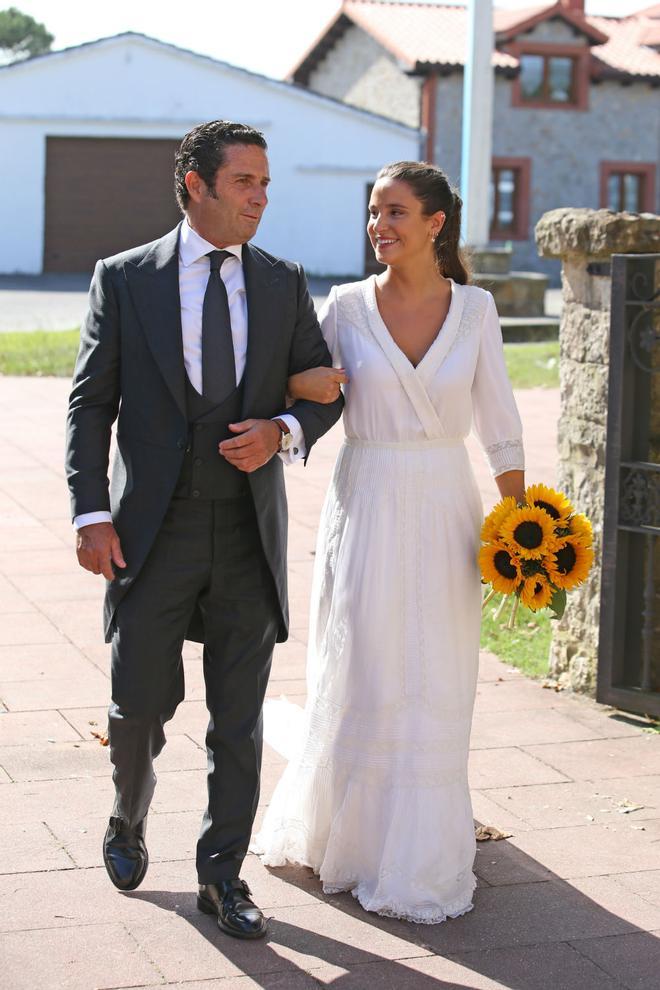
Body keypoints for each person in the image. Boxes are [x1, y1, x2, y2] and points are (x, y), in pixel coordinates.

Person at [65, 120, 343, 940]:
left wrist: (283, 432)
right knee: (138, 706)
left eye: (266, 183)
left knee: (240, 720)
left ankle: (222, 876)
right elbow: (91, 404)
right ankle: (127, 812)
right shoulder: (123, 280)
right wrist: (90, 512)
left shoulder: (284, 282)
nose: (261, 197)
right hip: (151, 531)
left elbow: (322, 388)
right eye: (245, 182)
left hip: (246, 532)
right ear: (196, 184)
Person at [254, 161, 525, 924]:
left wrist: (521, 531)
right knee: (367, 661)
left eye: (396, 212)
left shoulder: (476, 311)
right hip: (366, 496)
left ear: (436, 223)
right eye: (374, 212)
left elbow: (501, 424)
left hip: (446, 503)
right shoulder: (343, 306)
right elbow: (303, 384)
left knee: (438, 670)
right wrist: (299, 391)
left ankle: (424, 850)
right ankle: (356, 840)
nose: (380, 225)